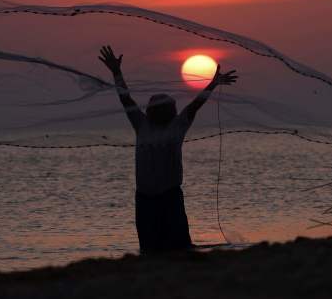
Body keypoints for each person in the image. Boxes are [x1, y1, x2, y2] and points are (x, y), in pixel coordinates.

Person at [98, 45, 238, 251]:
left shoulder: (176, 126)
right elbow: (125, 98)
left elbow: (194, 105)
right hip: (144, 198)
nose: (167, 110)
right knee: (149, 248)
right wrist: (116, 72)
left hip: (170, 196)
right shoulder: (142, 124)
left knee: (180, 246)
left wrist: (213, 84)